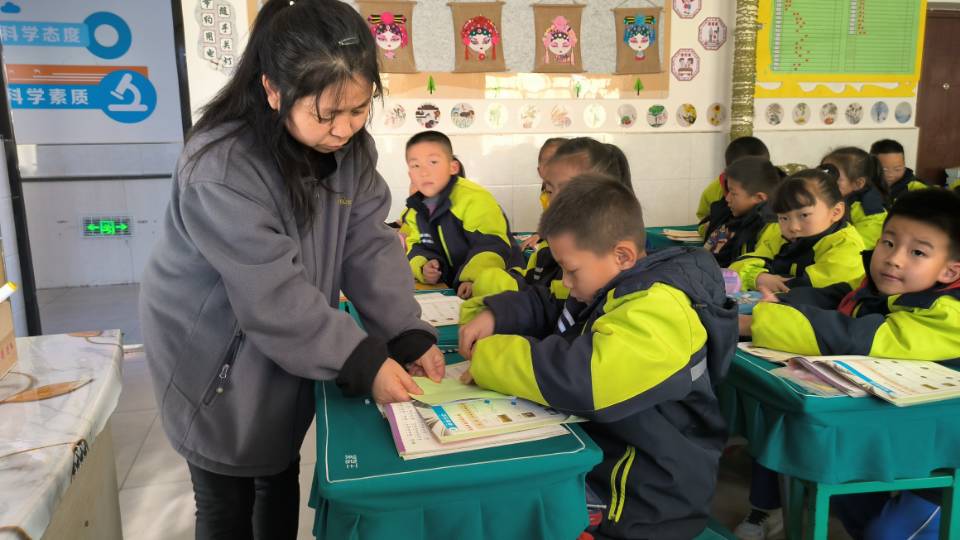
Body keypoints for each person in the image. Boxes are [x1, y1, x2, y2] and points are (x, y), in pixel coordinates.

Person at [139, 1, 444, 538]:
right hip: (212, 352)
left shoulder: (351, 153)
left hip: (287, 336)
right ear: (274, 90)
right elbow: (272, 294)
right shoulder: (222, 166)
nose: (344, 129)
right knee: (226, 494)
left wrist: (405, 331)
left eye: (358, 109)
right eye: (326, 114)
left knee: (278, 469)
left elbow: (368, 246)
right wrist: (360, 359)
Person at [459, 175, 737, 540]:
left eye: (571, 270)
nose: (565, 281)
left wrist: (490, 357)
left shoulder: (662, 309)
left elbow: (588, 379)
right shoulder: (614, 284)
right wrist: (497, 315)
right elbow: (553, 303)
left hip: (646, 499)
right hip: (609, 465)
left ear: (622, 255)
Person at [737, 189, 960, 540]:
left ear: (950, 270)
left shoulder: (951, 313)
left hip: (949, 452)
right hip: (903, 435)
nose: (894, 259)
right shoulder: (886, 286)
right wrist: (781, 302)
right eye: (888, 243)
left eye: (917, 252)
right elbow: (838, 298)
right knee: (834, 475)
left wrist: (757, 324)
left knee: (887, 533)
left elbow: (861, 336)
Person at [460, 137, 632, 323]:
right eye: (549, 190)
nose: (552, 201)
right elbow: (546, 305)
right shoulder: (552, 247)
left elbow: (563, 321)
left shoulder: (616, 279)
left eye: (566, 190)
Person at [403, 130, 522, 299]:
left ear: (453, 167)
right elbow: (416, 245)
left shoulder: (475, 199)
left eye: (433, 162)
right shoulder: (416, 209)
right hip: (455, 290)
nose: (424, 172)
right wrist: (424, 266)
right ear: (410, 174)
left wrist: (472, 278)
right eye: (416, 165)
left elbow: (491, 244)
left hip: (501, 287)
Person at [730, 168, 865, 293]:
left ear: (836, 212)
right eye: (784, 218)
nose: (793, 227)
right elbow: (737, 268)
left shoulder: (847, 246)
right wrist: (758, 278)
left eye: (804, 215)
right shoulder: (780, 237)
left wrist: (769, 284)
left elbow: (811, 291)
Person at [702, 156, 783, 268]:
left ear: (759, 198)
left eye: (733, 193)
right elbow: (707, 254)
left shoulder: (772, 228)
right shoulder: (732, 220)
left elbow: (755, 268)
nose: (727, 199)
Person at [696, 136, 771, 234]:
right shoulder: (713, 192)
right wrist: (710, 228)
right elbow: (703, 220)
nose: (728, 199)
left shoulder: (777, 194)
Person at [821, 147, 889, 248]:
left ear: (858, 184)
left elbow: (859, 247)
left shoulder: (871, 213)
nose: (824, 182)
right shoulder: (823, 198)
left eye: (834, 178)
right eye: (822, 175)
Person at [520, 137, 568, 250]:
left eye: (559, 161)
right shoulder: (545, 191)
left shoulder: (573, 191)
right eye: (547, 162)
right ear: (539, 170)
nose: (553, 167)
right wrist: (541, 234)